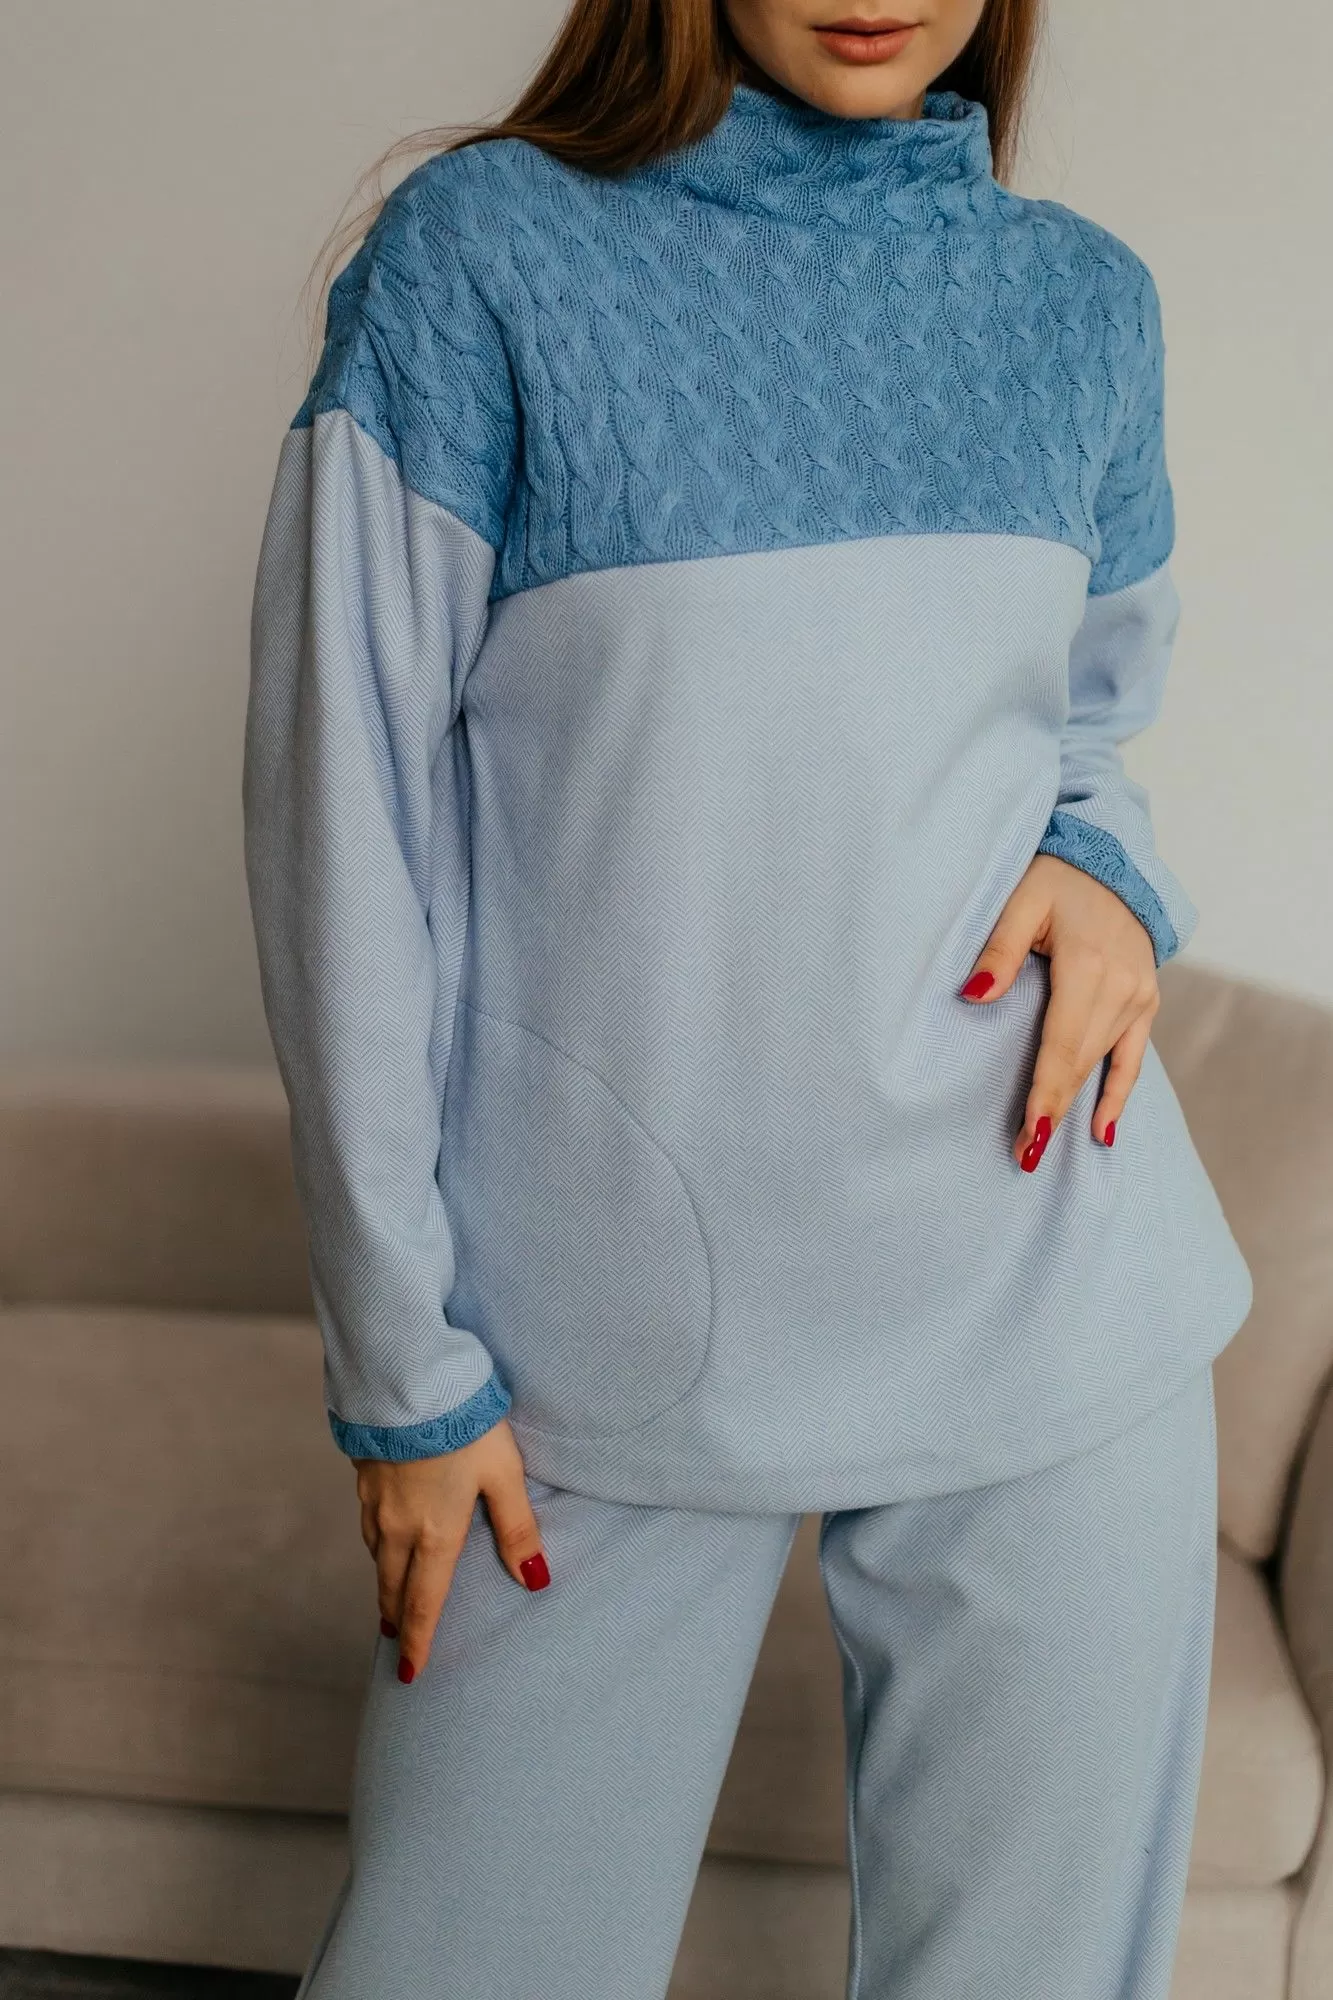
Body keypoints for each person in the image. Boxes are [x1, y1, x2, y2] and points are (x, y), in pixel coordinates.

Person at [242, 0, 1254, 1992]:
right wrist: (404, 1366)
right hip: (598, 1331)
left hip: (1056, 1279)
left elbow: (1090, 723)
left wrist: (1113, 873)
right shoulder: (483, 258)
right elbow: (336, 824)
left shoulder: (1080, 302)